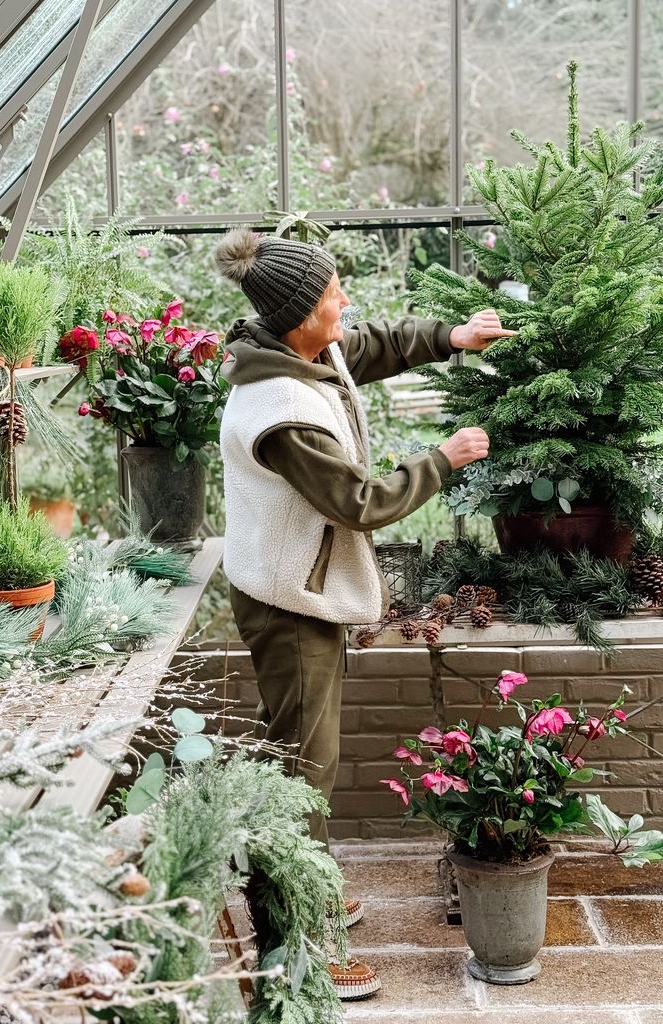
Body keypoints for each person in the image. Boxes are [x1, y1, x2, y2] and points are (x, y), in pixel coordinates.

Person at [214, 227, 514, 1000]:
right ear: (297, 316)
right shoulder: (280, 410)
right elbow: (357, 502)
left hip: (290, 587)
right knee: (303, 771)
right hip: (287, 605)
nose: (344, 302)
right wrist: (442, 460)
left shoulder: (298, 353)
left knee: (300, 756)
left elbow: (370, 345)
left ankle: (302, 886)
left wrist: (451, 337)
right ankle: (295, 941)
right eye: (331, 294)